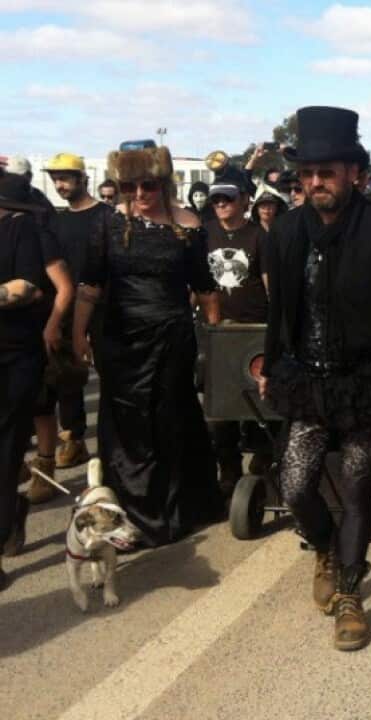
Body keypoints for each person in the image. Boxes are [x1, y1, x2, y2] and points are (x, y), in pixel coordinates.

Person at [262, 107, 371, 651]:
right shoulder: (287, 229)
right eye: (308, 174)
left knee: (359, 485)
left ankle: (350, 593)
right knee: (295, 486)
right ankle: (323, 548)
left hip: (366, 378)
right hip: (305, 379)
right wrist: (270, 365)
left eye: (327, 172)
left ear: (353, 173)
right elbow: (280, 312)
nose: (316, 183)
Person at [70, 143, 224, 549]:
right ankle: (129, 515)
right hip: (119, 342)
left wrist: (215, 337)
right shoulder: (106, 224)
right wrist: (75, 335)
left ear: (163, 183)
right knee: (124, 425)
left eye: (148, 185)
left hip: (172, 339)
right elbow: (89, 287)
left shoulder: (188, 225)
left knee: (169, 420)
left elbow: (204, 288)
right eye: (130, 186)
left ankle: (174, 512)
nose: (139, 194)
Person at [33, 154, 112, 482]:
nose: (60, 185)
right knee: (67, 379)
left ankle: (112, 449)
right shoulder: (56, 221)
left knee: (111, 381)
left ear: (83, 178)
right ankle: (74, 437)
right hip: (66, 309)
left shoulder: (108, 216)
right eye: (56, 179)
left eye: (66, 178)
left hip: (105, 310)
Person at [0, 175, 59, 586]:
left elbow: (25, 289)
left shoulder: (22, 228)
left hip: (14, 357)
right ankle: (12, 510)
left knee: (3, 452)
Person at [204, 180, 272, 496]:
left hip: (254, 329)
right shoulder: (204, 233)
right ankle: (228, 470)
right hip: (217, 331)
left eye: (227, 199)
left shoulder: (259, 236)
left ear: (243, 201)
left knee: (260, 399)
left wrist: (277, 328)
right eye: (216, 199)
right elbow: (197, 285)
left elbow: (270, 284)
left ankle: (265, 454)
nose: (221, 204)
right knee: (220, 406)